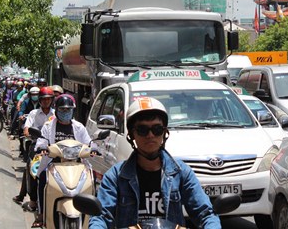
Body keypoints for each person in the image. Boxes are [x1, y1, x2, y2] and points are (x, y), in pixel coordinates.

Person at [89, 97, 220, 228]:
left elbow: (205, 213)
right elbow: (101, 217)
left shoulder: (181, 172)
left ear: (164, 133)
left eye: (157, 129)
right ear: (131, 135)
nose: (150, 135)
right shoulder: (115, 177)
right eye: (142, 130)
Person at [31, 94, 92, 228]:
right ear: (56, 110)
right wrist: (42, 147)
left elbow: (89, 143)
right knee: (42, 179)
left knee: (92, 182)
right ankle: (41, 215)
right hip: (53, 164)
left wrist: (93, 149)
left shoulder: (79, 127)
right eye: (62, 110)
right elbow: (41, 141)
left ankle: (93, 216)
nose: (65, 113)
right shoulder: (48, 126)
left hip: (77, 164)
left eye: (68, 110)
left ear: (73, 110)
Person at [13, 87, 55, 214]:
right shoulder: (33, 113)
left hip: (54, 147)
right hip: (37, 145)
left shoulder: (56, 114)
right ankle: (32, 199)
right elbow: (27, 128)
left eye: (49, 99)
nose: (46, 102)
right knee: (32, 169)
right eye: (44, 100)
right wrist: (28, 133)